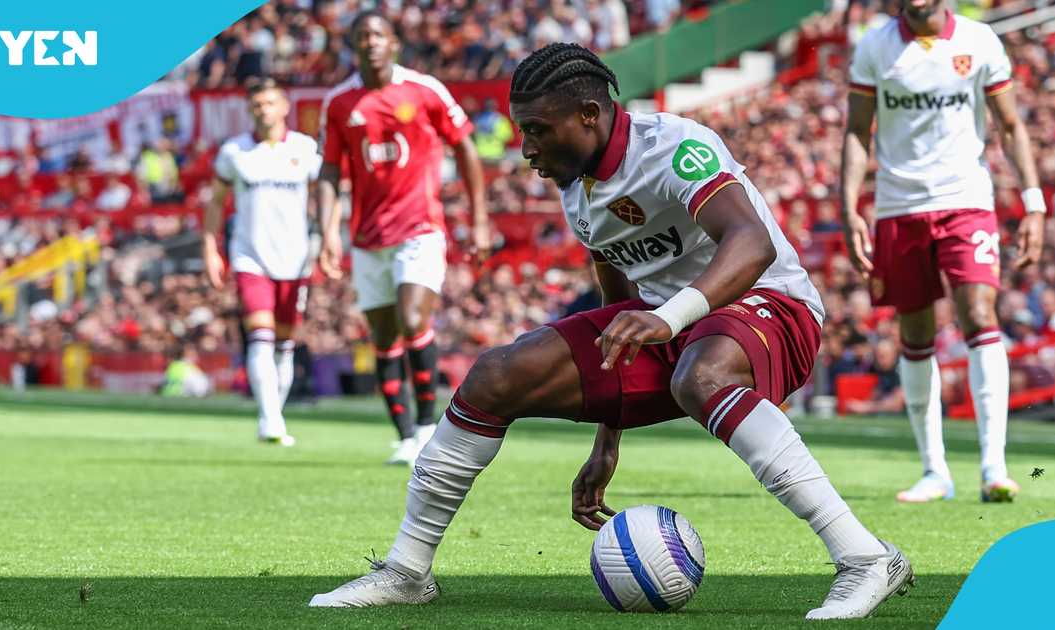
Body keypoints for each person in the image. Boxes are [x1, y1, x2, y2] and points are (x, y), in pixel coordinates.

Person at [309, 43, 911, 621]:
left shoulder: (676, 146)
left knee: (701, 376)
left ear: (590, 115)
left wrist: (667, 317)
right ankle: (407, 571)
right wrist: (608, 438)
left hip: (770, 305)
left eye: (538, 129)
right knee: (495, 376)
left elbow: (750, 242)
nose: (526, 149)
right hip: (670, 327)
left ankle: (864, 557)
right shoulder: (578, 189)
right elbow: (620, 312)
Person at [842, 0, 1045, 503]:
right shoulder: (874, 46)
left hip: (966, 201)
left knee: (979, 311)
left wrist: (1034, 202)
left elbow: (1012, 126)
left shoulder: (979, 41)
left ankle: (993, 467)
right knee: (915, 332)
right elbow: (855, 131)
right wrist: (848, 207)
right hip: (899, 206)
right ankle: (936, 471)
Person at [317, 11, 490, 466]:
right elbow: (330, 172)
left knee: (413, 319)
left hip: (419, 228)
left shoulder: (425, 89)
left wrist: (480, 220)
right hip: (366, 237)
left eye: (378, 34)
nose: (370, 42)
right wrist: (327, 234)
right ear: (353, 46)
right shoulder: (339, 102)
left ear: (393, 42)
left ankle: (428, 428)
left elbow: (465, 147)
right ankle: (403, 434)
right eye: (361, 36)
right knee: (383, 336)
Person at [203, 78, 322, 446]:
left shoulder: (305, 149)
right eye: (257, 104)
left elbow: (326, 196)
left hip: (296, 258)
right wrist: (210, 248)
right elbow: (215, 202)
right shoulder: (235, 152)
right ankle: (269, 419)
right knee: (260, 336)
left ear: (285, 106)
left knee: (284, 344)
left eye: (270, 103)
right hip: (250, 256)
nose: (263, 110)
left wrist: (328, 237)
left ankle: (275, 414)